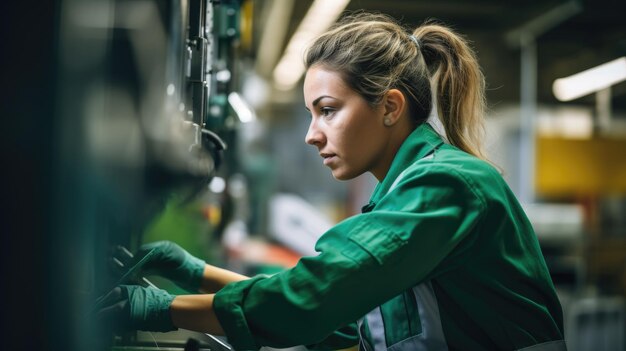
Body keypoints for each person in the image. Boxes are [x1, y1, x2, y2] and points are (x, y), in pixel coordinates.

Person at [98, 12, 566, 350]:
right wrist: (195, 273)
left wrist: (161, 309)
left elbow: (311, 302)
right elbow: (343, 322)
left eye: (328, 110)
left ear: (390, 107)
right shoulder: (404, 196)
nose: (311, 135)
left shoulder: (449, 185)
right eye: (310, 114)